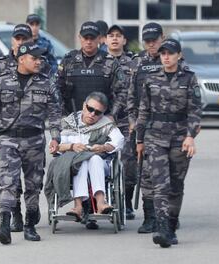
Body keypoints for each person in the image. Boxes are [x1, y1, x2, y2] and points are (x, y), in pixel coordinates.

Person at [0, 42, 62, 244]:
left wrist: (55, 137)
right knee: (8, 182)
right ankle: (4, 225)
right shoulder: (1, 82)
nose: (38, 62)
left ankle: (30, 225)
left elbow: (55, 112)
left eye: (40, 58)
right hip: (9, 138)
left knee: (33, 184)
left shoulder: (46, 83)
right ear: (21, 60)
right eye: (34, 58)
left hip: (34, 140)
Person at [56, 21, 125, 229]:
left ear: (99, 39)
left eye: (92, 38)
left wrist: (112, 115)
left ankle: (94, 206)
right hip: (74, 122)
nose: (88, 41)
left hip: (101, 122)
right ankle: (84, 208)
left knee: (94, 158)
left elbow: (121, 93)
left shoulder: (110, 63)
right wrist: (63, 119)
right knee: (80, 160)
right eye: (85, 37)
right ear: (80, 38)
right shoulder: (68, 61)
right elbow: (56, 91)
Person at [136, 38, 201, 247]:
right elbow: (143, 110)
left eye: (170, 53)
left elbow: (195, 110)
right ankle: (162, 227)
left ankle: (171, 226)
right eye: (163, 53)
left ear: (179, 55)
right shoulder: (150, 78)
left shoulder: (189, 79)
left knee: (175, 185)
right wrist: (139, 139)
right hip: (155, 137)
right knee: (159, 184)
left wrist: (191, 135)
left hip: (180, 137)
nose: (165, 57)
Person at [48, 92, 124, 222]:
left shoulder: (106, 124)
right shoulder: (69, 122)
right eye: (90, 109)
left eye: (98, 112)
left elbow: (119, 140)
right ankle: (78, 206)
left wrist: (104, 147)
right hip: (73, 165)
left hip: (100, 164)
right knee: (81, 161)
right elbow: (56, 146)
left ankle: (100, 202)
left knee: (93, 159)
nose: (92, 114)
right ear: (84, 105)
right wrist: (72, 146)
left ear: (103, 113)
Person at [127, 22, 164, 234]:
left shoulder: (172, 58)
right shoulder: (137, 63)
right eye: (147, 41)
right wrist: (133, 121)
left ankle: (168, 215)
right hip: (144, 126)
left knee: (168, 175)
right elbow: (130, 97)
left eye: (154, 40)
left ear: (162, 38)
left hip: (168, 127)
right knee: (146, 174)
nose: (151, 44)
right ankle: (150, 217)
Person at [105, 24, 137, 220]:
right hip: (103, 120)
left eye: (119, 36)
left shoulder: (134, 63)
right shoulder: (100, 62)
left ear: (124, 40)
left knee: (128, 163)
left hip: (126, 120)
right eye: (111, 36)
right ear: (106, 40)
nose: (115, 39)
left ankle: (126, 203)